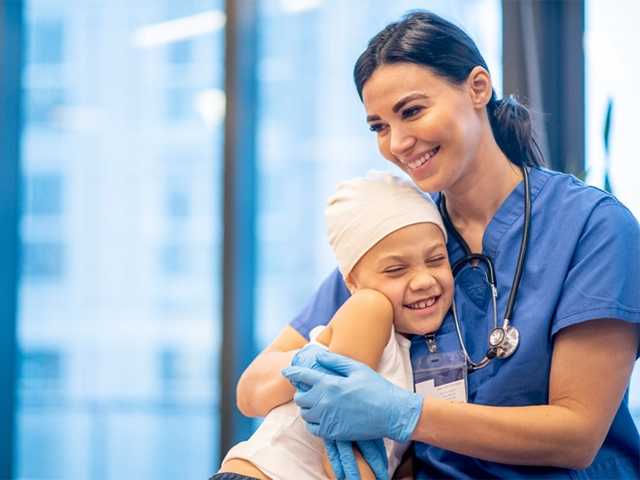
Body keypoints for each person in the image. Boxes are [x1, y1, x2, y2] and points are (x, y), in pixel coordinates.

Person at [238, 10, 640, 479]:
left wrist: (403, 412)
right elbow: (253, 387)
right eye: (379, 127)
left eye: (411, 111)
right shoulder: (403, 228)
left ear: (477, 88)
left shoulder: (592, 227)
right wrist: (319, 362)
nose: (398, 143)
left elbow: (576, 434)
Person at [214, 172, 453, 480]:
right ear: (351, 282)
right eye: (396, 269)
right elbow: (340, 446)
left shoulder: (405, 349)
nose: (424, 281)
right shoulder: (369, 310)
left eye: (436, 260)